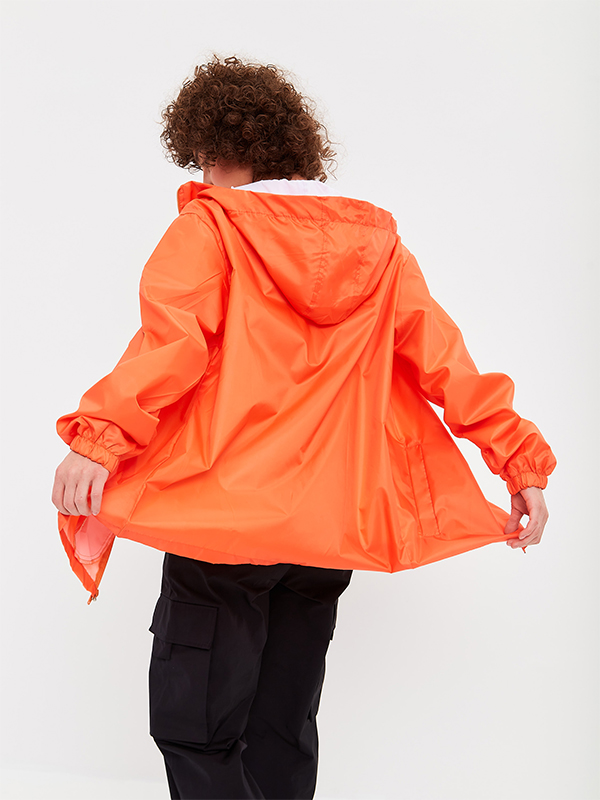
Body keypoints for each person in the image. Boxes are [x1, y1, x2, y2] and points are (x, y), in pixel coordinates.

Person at [51, 56, 556, 800]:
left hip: (223, 521)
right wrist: (519, 462)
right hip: (326, 530)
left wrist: (96, 440)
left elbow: (169, 348)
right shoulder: (379, 247)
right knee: (280, 729)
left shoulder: (212, 226)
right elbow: (446, 362)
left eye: (202, 158)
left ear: (219, 149)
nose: (201, 173)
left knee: (195, 728)